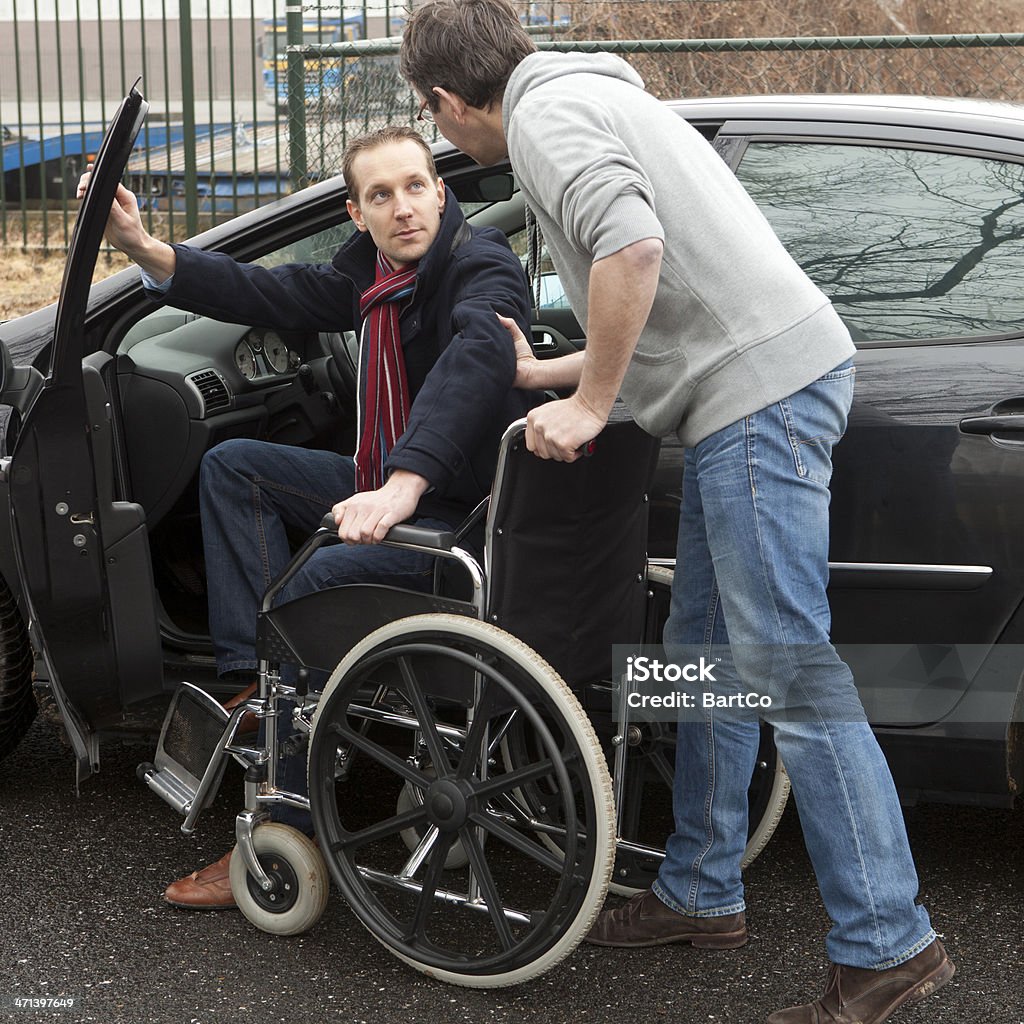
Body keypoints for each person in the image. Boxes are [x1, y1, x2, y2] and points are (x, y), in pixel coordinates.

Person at [399, 4, 953, 1023]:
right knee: (703, 645)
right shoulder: (591, 91)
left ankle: (887, 941)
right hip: (750, 384)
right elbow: (667, 285)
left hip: (758, 396)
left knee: (786, 661)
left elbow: (634, 251)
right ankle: (701, 887)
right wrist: (554, 367)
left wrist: (592, 403)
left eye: (433, 125)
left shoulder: (543, 123)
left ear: (442, 101)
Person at [79, 124, 536, 910]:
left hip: (457, 519)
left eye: (416, 186)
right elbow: (268, 292)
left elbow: (477, 359)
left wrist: (404, 484)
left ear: (441, 190)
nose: (403, 208)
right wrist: (147, 249)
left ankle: (282, 814)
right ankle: (254, 680)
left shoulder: (479, 270)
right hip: (391, 488)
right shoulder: (371, 278)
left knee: (313, 585)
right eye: (381, 195)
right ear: (357, 214)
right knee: (235, 466)